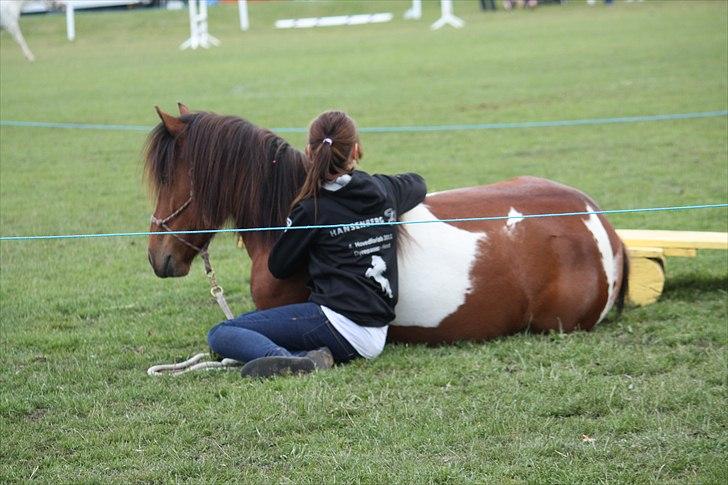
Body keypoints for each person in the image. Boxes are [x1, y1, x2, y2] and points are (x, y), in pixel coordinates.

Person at [207, 111, 427, 378]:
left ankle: (290, 360)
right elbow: (418, 183)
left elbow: (278, 266)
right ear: (356, 150)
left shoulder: (311, 209)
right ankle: (305, 357)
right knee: (253, 325)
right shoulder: (385, 189)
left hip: (339, 326)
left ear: (309, 154)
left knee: (222, 333)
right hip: (376, 330)